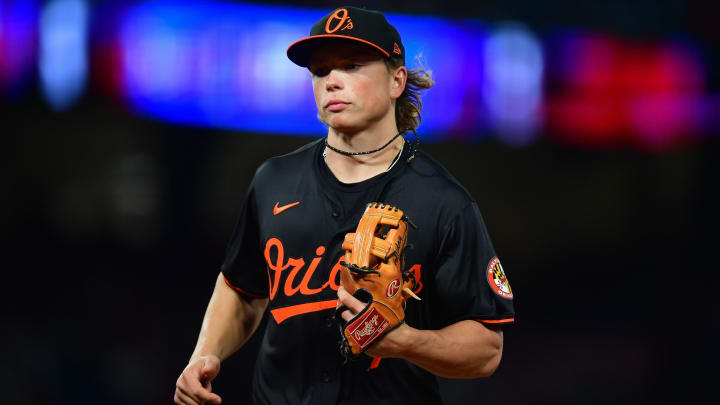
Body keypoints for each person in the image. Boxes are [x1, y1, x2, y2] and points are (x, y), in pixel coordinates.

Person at [174, 6, 514, 405]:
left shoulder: (442, 201)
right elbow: (242, 289)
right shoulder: (274, 181)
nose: (332, 81)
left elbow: (487, 349)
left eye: (352, 65)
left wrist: (407, 342)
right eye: (320, 71)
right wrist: (204, 353)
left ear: (396, 81)